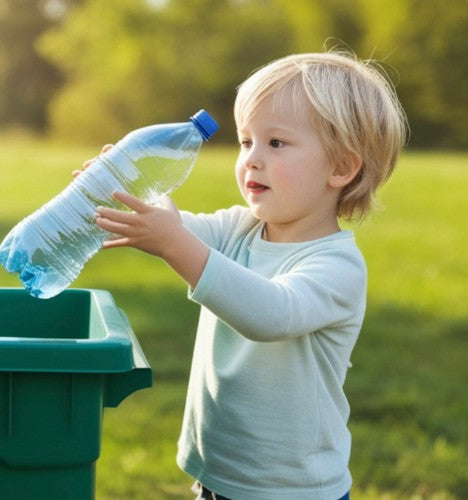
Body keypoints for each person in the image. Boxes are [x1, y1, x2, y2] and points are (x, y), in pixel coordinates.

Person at [78, 51, 408, 499]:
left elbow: (270, 314)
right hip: (219, 475)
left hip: (291, 490)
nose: (252, 158)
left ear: (340, 168)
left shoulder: (336, 266)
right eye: (245, 141)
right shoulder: (238, 228)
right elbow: (177, 230)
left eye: (276, 143)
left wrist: (173, 242)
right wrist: (125, 194)